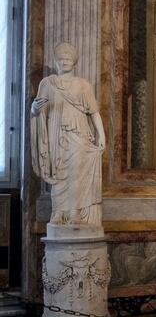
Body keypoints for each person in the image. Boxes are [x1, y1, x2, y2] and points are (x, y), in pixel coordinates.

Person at [30, 42, 106, 226]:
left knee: (77, 173)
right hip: (56, 135)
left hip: (79, 135)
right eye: (61, 59)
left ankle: (74, 212)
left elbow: (94, 112)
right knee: (59, 173)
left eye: (68, 59)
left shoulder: (83, 85)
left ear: (74, 62)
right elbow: (38, 110)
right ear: (56, 61)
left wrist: (101, 135)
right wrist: (34, 109)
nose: (65, 62)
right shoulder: (47, 83)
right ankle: (58, 211)